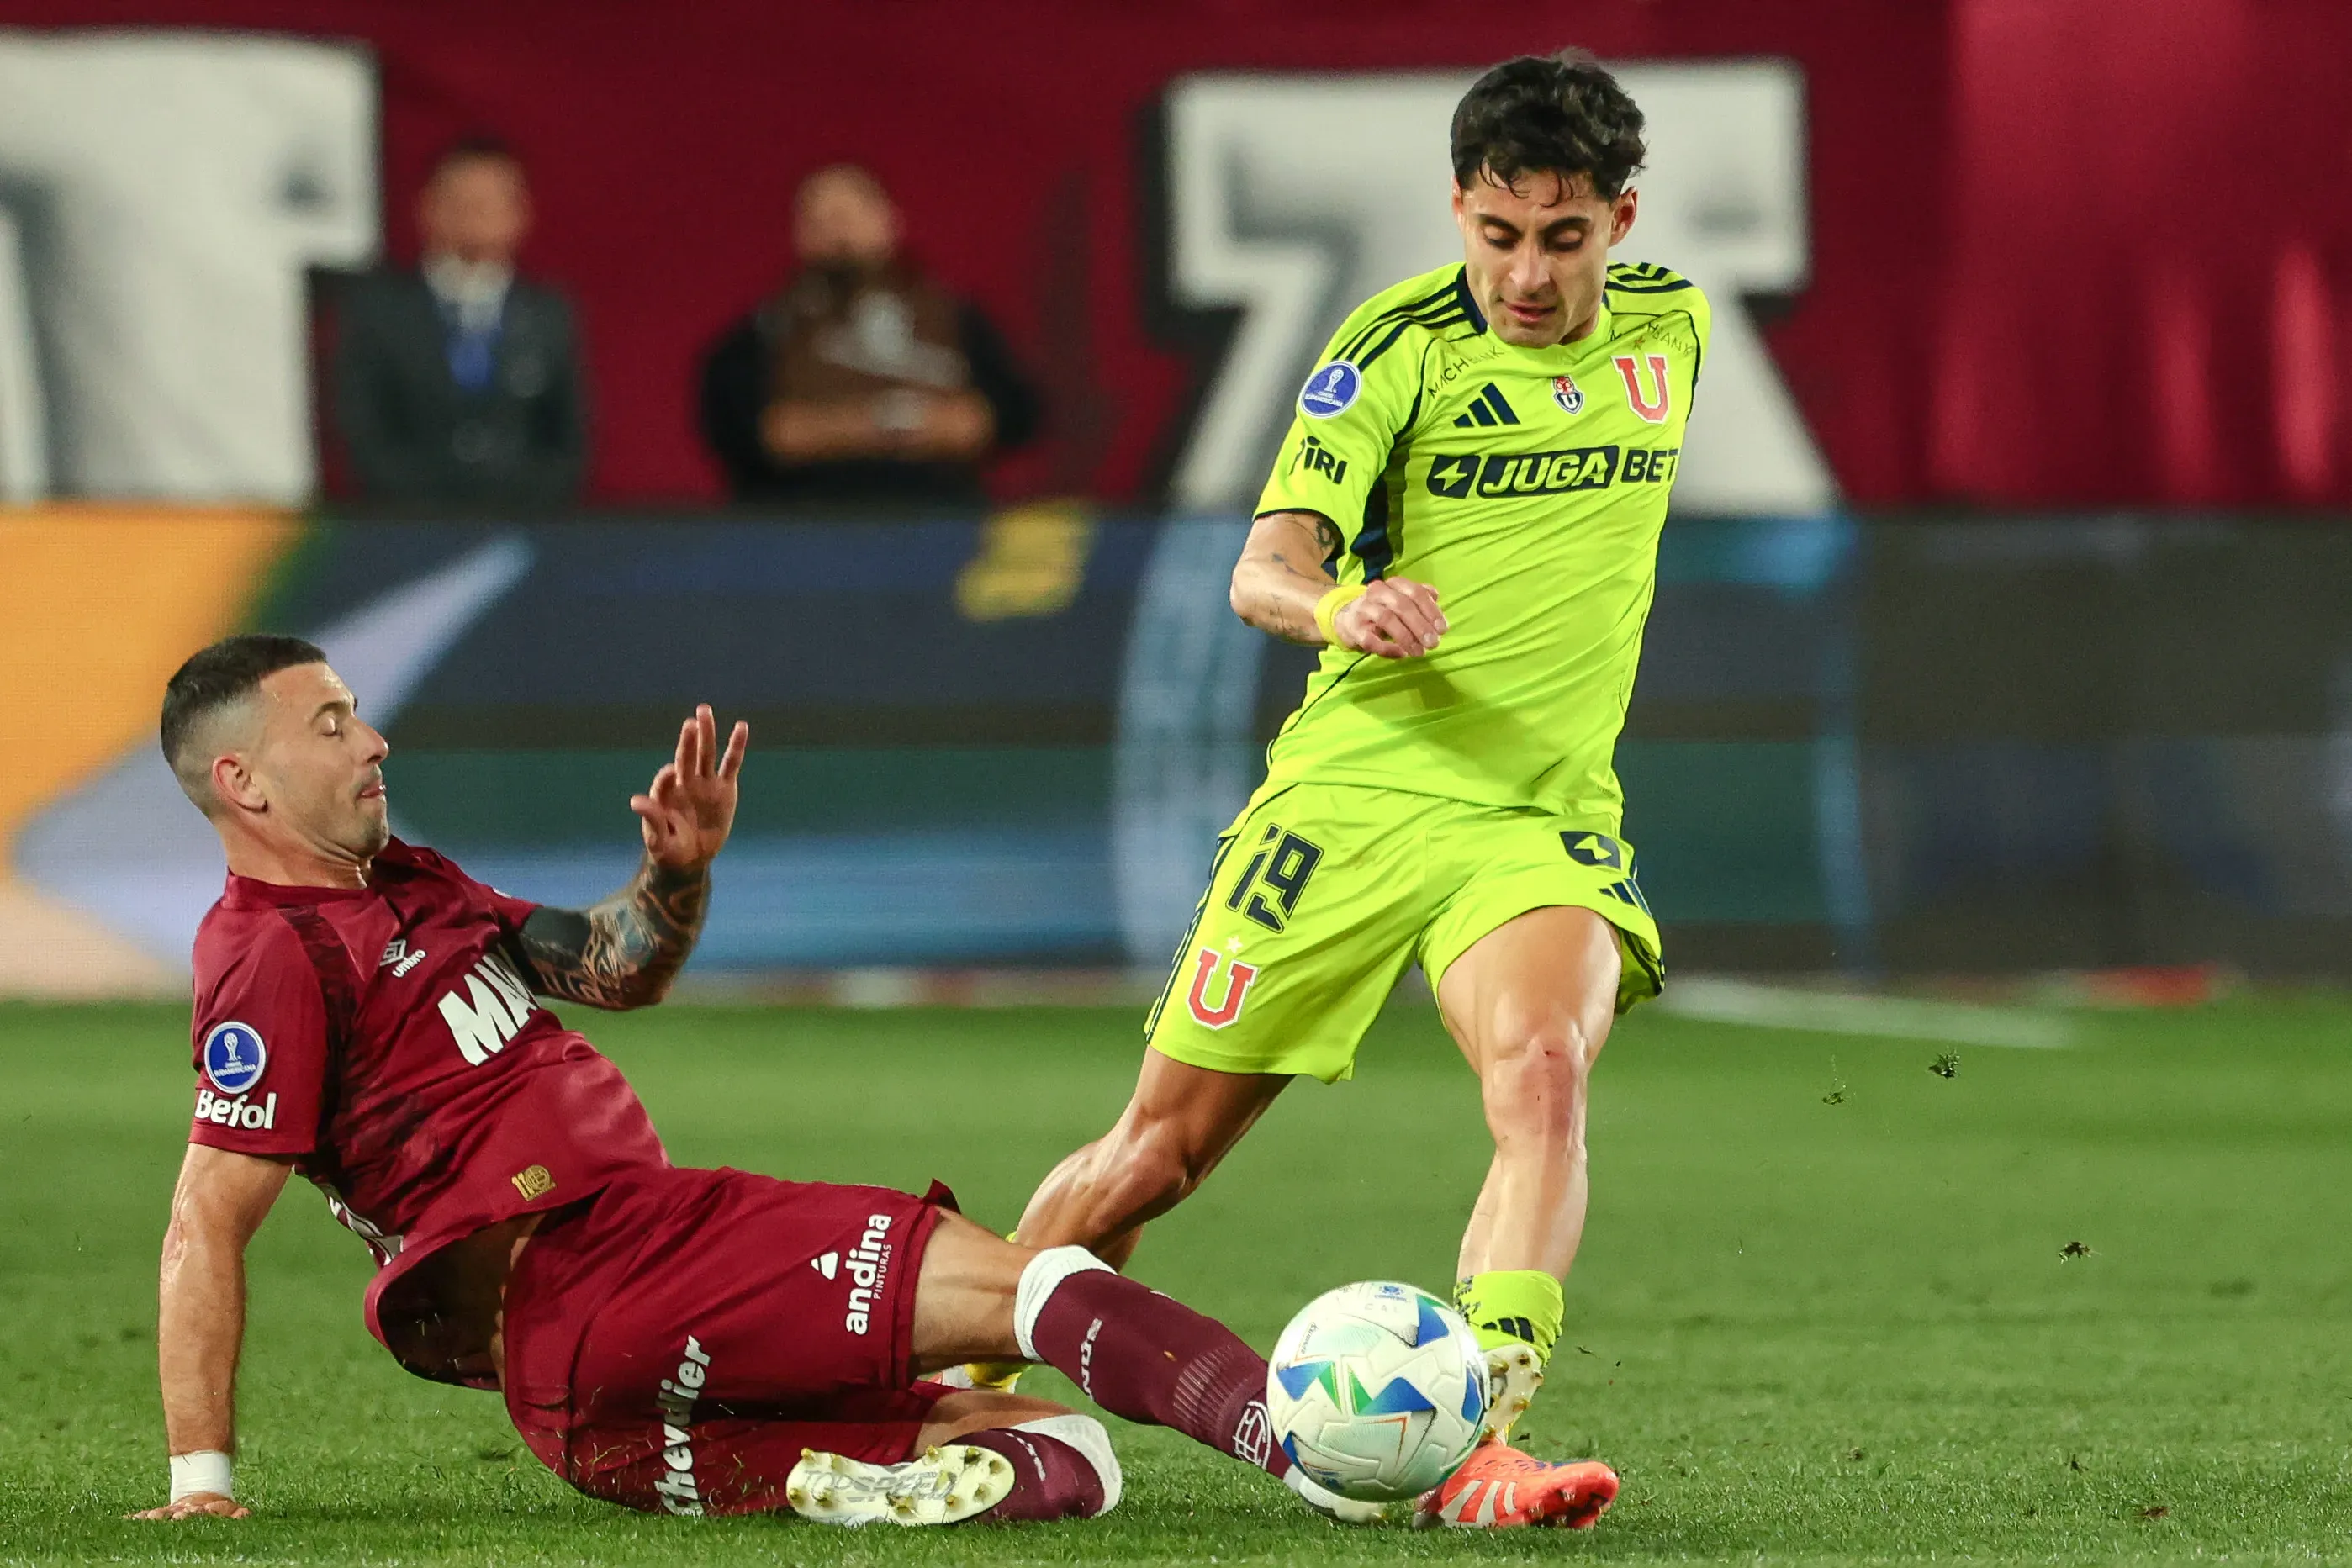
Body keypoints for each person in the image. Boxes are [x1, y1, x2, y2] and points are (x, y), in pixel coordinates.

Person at [129, 634, 1546, 1529]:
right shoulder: (268, 956)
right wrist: (202, 1484)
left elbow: (615, 969)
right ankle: (1319, 1453)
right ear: (243, 782)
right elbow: (207, 1214)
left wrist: (677, 874)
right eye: (332, 724)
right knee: (1041, 1288)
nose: (372, 739)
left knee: (1061, 1454)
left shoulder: (407, 883)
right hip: (610, 1256)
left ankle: (850, 1485)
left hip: (580, 1410)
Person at [991, 50, 1703, 1527]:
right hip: (1352, 802)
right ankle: (950, 1379)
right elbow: (1262, 567)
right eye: (1497, 233)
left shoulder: (1672, 330)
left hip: (1532, 818)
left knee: (1544, 1074)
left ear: (1620, 221)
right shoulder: (1392, 350)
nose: (1525, 273)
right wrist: (1339, 608)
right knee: (1154, 1159)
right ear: (1458, 208)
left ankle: (1482, 1432)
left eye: (1562, 236)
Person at [697, 164, 1040, 509]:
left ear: (889, 220)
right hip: (807, 514)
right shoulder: (770, 328)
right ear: (799, 235)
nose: (838, 233)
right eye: (820, 221)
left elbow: (1008, 415)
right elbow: (758, 432)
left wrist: (835, 430)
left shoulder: (953, 317)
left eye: (849, 215)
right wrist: (879, 426)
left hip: (939, 511)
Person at [331, 137, 589, 507]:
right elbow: (366, 433)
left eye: (490, 202)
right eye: (459, 201)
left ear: (521, 214)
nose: (475, 214)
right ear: (426, 209)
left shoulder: (548, 314)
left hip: (525, 522)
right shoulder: (380, 313)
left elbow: (568, 440)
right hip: (408, 522)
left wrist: (519, 509)